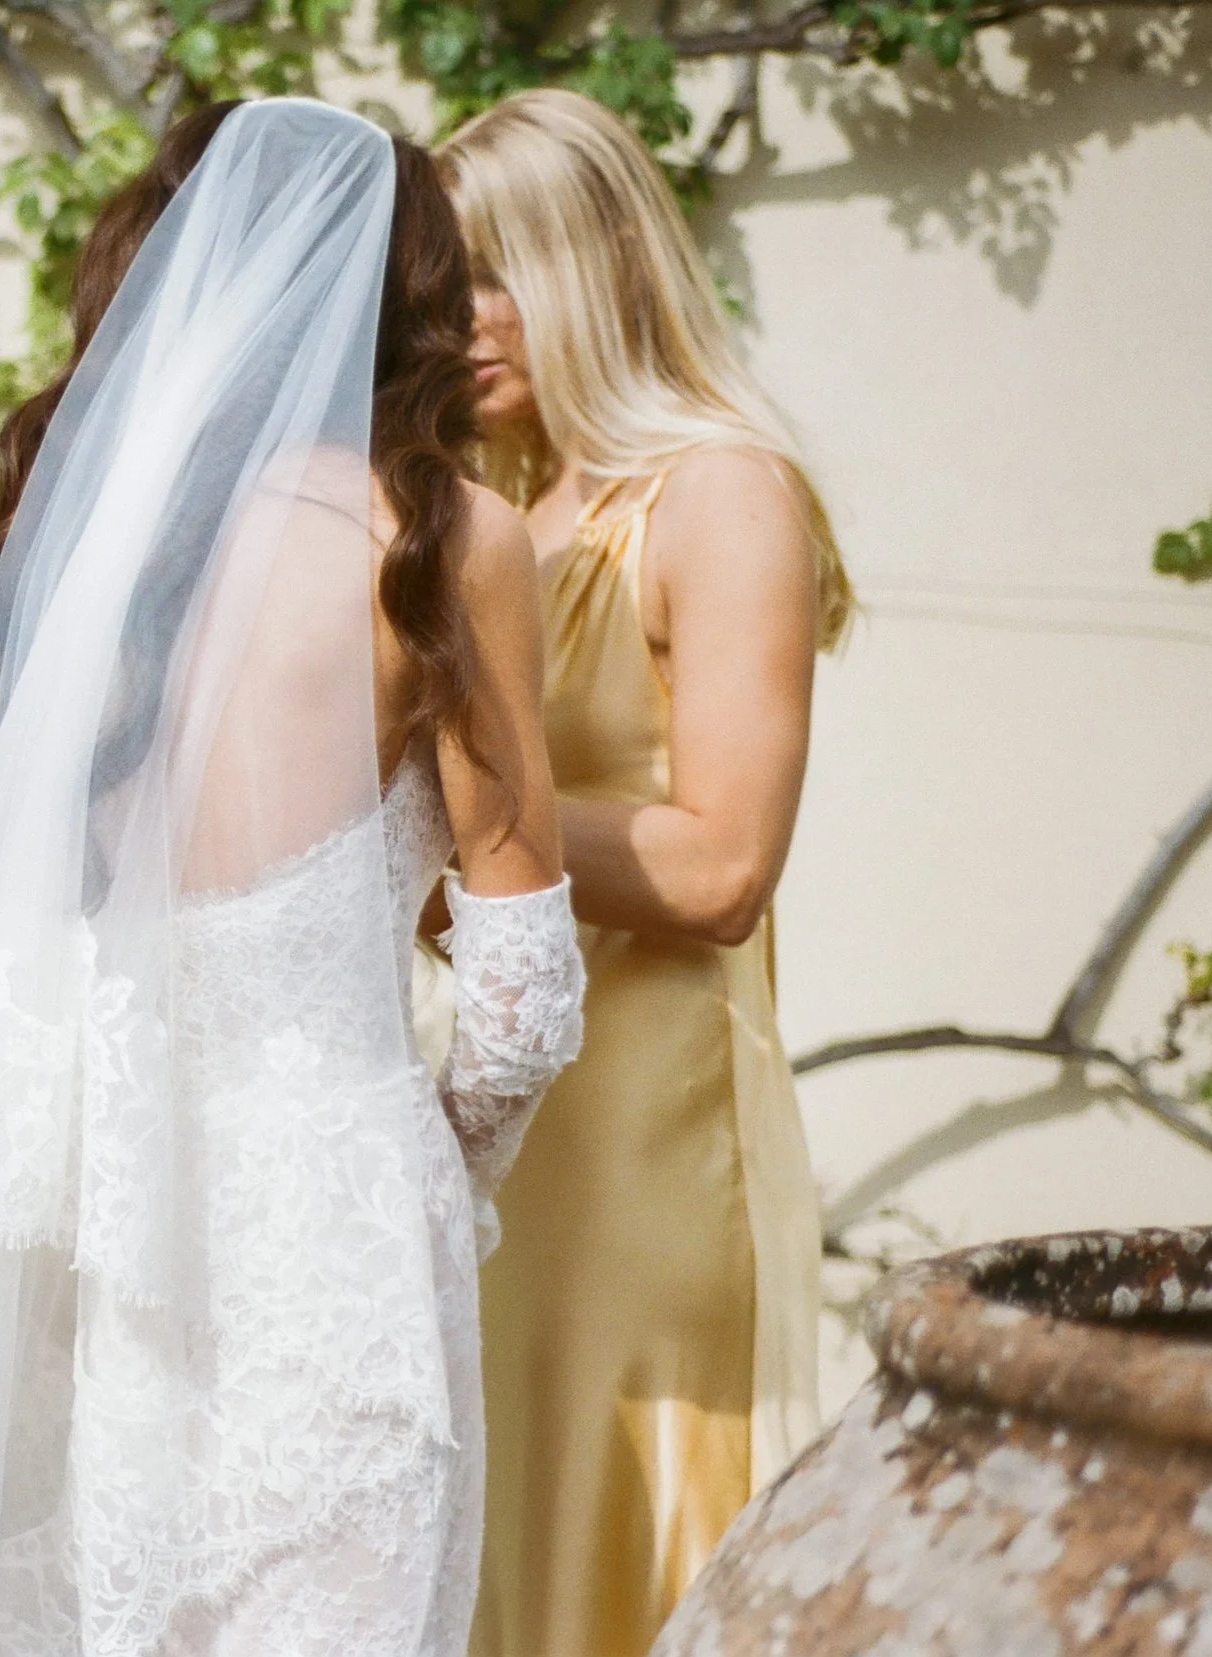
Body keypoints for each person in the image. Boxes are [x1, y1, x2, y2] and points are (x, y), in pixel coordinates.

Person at [0, 98, 587, 1655]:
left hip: (94, 1220)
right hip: (327, 1245)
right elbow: (522, 998)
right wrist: (440, 1169)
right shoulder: (444, 539)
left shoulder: (94, 530)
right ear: (410, 296)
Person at [437, 87, 855, 1655]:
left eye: (496, 273)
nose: (461, 322)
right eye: (441, 286)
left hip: (649, 1147)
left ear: (599, 260)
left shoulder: (720, 491)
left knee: (631, 1556)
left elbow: (725, 862)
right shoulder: (503, 519)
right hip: (509, 1124)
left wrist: (447, 815)